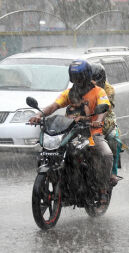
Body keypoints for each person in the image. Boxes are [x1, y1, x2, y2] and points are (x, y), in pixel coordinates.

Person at [29, 59, 113, 201]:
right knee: (48, 153)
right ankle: (61, 181)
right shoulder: (69, 93)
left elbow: (105, 106)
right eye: (74, 77)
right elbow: (54, 106)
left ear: (86, 76)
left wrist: (98, 120)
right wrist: (39, 115)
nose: (77, 80)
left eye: (79, 77)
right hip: (70, 133)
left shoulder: (99, 91)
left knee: (105, 154)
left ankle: (103, 188)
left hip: (90, 133)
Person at [91, 63, 125, 186]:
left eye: (95, 79)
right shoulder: (82, 88)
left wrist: (98, 120)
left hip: (105, 120)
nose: (92, 82)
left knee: (113, 140)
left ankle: (113, 173)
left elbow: (105, 108)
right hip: (86, 119)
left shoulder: (109, 90)